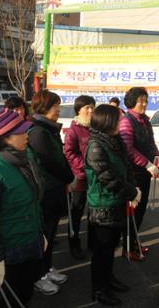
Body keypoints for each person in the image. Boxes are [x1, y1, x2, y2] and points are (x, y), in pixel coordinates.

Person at [0, 109, 47, 307]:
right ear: (4, 138)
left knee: (24, 296)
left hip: (30, 243)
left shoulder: (26, 159)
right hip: (9, 252)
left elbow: (33, 202)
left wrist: (40, 233)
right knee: (6, 301)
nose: (26, 135)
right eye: (20, 132)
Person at [85, 104, 140, 306]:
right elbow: (108, 177)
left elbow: (126, 168)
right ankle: (99, 289)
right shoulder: (96, 146)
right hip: (102, 205)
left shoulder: (114, 141)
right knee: (101, 250)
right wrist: (132, 192)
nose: (122, 122)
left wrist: (133, 188)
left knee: (110, 248)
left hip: (117, 201)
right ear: (107, 121)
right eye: (118, 119)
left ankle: (108, 280)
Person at [28, 90, 74, 296]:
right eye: (56, 106)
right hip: (46, 191)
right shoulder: (38, 131)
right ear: (45, 108)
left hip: (55, 188)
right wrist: (68, 176)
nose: (58, 109)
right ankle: (38, 276)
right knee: (43, 235)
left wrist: (66, 176)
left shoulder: (49, 129)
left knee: (51, 233)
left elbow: (59, 158)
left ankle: (47, 268)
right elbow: (50, 162)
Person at [119, 87, 159, 261]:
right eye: (140, 100)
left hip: (145, 173)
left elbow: (151, 142)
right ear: (131, 102)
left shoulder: (145, 120)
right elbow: (128, 149)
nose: (143, 104)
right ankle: (128, 247)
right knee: (132, 212)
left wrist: (157, 157)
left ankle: (134, 242)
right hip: (133, 174)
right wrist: (147, 163)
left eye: (145, 100)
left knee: (141, 210)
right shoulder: (127, 121)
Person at [63, 95, 96, 259]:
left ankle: (92, 242)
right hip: (79, 177)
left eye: (92, 107)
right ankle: (74, 243)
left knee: (94, 212)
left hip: (94, 177)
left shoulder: (95, 127)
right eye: (86, 108)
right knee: (75, 213)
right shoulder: (74, 129)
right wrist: (85, 166)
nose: (90, 110)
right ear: (78, 110)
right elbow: (69, 152)